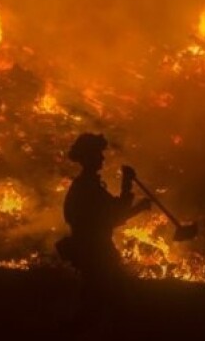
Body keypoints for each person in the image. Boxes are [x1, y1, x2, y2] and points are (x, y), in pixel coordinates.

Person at [61, 132, 151, 329]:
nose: (102, 158)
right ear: (88, 157)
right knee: (110, 308)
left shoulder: (86, 186)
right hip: (97, 254)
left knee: (96, 307)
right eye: (97, 154)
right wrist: (133, 195)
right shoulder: (87, 188)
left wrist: (128, 188)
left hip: (94, 253)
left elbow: (113, 212)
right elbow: (114, 217)